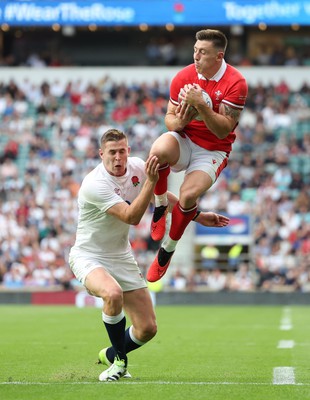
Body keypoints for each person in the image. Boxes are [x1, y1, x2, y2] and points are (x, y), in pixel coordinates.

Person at [69, 128, 229, 382]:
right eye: (112, 153)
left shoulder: (137, 167)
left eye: (122, 151)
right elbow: (132, 217)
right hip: (89, 255)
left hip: (120, 255)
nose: (118, 157)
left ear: (128, 151)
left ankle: (112, 353)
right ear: (101, 154)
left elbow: (163, 198)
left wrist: (198, 216)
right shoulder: (94, 184)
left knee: (147, 329)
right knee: (112, 294)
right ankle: (120, 363)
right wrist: (152, 182)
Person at [146, 29, 248, 283]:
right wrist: (179, 121)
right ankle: (160, 206)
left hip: (213, 148)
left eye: (202, 52)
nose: (196, 56)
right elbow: (169, 119)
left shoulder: (236, 82)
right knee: (157, 153)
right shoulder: (184, 76)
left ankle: (167, 251)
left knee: (188, 195)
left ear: (218, 56)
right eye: (195, 50)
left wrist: (201, 105)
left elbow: (223, 129)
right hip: (186, 137)